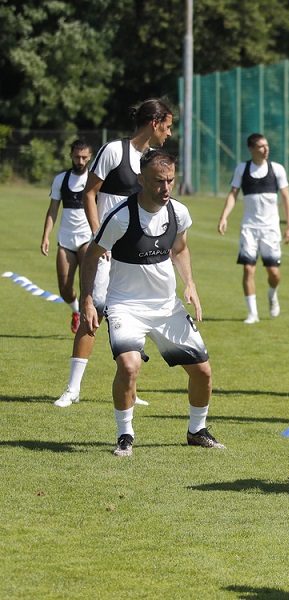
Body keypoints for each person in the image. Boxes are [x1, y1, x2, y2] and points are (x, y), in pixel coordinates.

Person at [78, 149, 223, 456]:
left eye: (170, 180)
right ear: (141, 179)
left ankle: (197, 430)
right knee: (129, 367)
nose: (166, 188)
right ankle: (125, 435)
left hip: (166, 307)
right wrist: (88, 300)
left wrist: (191, 284)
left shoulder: (178, 213)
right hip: (126, 306)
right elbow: (91, 256)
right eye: (159, 181)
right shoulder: (120, 217)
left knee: (203, 372)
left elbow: (180, 249)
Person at [54, 98, 174, 408]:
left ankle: (131, 390)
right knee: (92, 313)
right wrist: (99, 237)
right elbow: (89, 194)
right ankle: (73, 388)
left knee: (135, 317)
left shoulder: (153, 160)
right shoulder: (113, 151)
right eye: (168, 126)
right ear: (155, 123)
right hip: (108, 252)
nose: (170, 133)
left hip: (136, 257)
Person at [218, 133, 289, 324]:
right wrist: (224, 217)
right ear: (251, 149)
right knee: (248, 270)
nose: (265, 149)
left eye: (266, 146)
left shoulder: (276, 169)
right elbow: (233, 195)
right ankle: (252, 313)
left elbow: (286, 199)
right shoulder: (242, 169)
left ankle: (272, 293)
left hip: (270, 230)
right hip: (249, 229)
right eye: (261, 146)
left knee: (274, 274)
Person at [40, 139, 93, 334]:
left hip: (87, 239)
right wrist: (46, 236)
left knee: (87, 285)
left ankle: (87, 324)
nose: (80, 161)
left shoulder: (94, 180)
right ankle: (76, 311)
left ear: (90, 158)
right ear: (71, 155)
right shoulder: (60, 180)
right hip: (66, 240)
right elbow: (52, 210)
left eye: (84, 157)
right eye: (77, 157)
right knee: (64, 289)